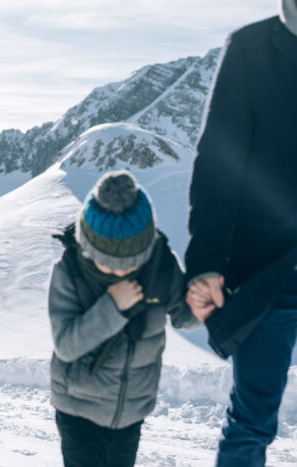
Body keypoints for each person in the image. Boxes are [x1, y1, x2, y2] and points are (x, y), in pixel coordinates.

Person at [184, 2, 297, 465]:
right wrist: (206, 265)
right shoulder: (253, 49)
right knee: (252, 421)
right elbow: (218, 166)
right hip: (269, 272)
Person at [48, 171, 198, 467]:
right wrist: (113, 307)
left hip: (131, 410)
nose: (118, 271)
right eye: (106, 262)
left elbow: (184, 316)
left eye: (130, 263)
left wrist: (204, 307)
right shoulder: (69, 271)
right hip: (78, 409)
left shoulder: (160, 264)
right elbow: (66, 344)